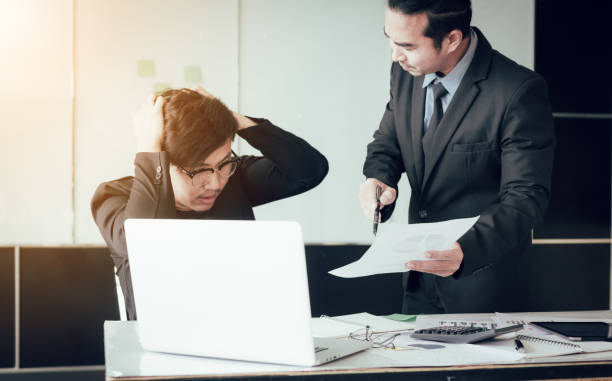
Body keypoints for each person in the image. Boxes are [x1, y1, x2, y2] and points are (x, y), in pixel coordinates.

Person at [359, 0, 555, 313]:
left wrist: (466, 250)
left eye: (407, 45)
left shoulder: (518, 91)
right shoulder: (404, 72)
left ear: (452, 39)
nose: (395, 55)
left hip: (482, 286)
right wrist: (378, 177)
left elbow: (525, 197)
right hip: (418, 283)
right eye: (390, 41)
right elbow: (389, 140)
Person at [92, 87, 328, 320]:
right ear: (162, 162)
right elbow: (147, 243)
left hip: (247, 335)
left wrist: (234, 120)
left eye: (225, 163)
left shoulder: (233, 179)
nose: (215, 183)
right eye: (198, 171)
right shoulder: (114, 198)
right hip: (165, 347)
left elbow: (309, 169)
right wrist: (148, 148)